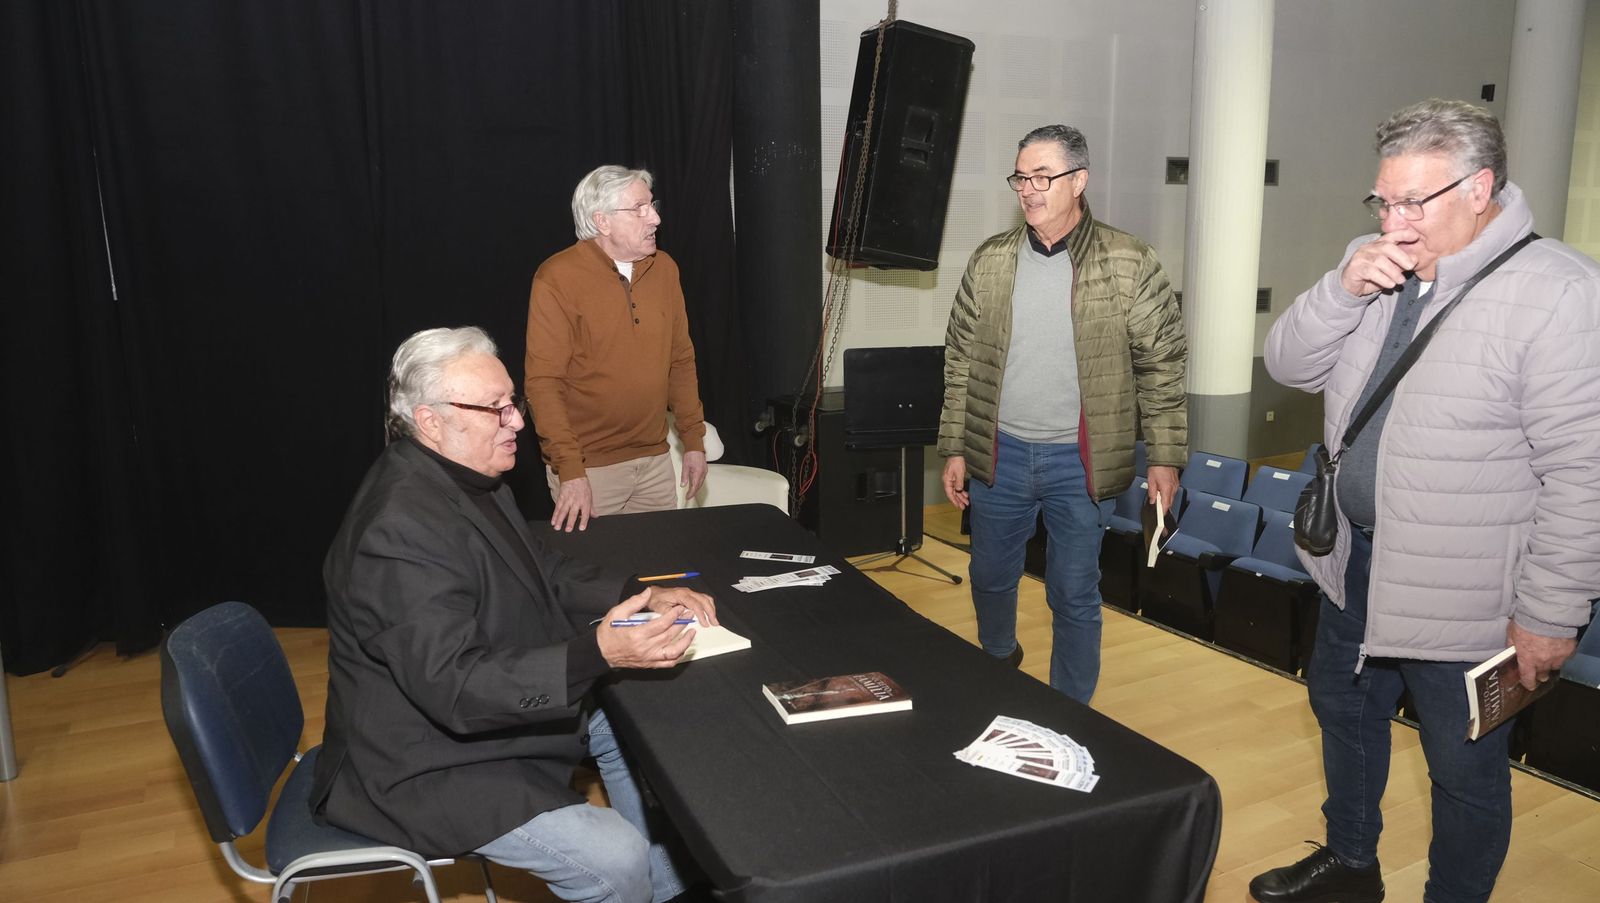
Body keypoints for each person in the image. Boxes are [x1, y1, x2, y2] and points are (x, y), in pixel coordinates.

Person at [1253, 99, 1600, 903]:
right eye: (1384, 199)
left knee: (1463, 765)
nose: (1396, 221)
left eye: (1416, 200)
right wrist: (1342, 289)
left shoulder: (1561, 293)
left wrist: (1550, 612)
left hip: (1470, 589)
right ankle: (1350, 861)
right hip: (1358, 557)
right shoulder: (1371, 261)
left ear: (1480, 189)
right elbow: (1289, 363)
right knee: (1342, 705)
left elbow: (1584, 472)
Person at [312, 326, 715, 903]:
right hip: (422, 761)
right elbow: (457, 688)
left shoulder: (467, 473)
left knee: (642, 714)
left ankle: (664, 883)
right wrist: (595, 652)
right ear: (430, 421)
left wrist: (640, 592)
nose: (517, 422)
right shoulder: (396, 532)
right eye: (496, 408)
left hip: (469, 719)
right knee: (615, 856)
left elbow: (541, 569)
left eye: (513, 402)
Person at [938, 124, 1188, 703]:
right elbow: (960, 362)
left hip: (1081, 463)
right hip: (999, 453)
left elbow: (1164, 366)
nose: (1028, 189)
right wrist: (954, 445)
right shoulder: (991, 261)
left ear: (1079, 181)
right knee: (988, 577)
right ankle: (999, 659)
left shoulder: (1130, 261)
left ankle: (1070, 709)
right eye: (1021, 177)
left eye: (1042, 177)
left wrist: (1168, 456)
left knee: (1073, 593)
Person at [526, 165, 707, 532]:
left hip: (655, 461)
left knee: (660, 573)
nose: (654, 217)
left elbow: (681, 361)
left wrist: (693, 441)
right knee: (599, 583)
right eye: (639, 209)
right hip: (590, 471)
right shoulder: (557, 278)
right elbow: (543, 384)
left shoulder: (665, 269)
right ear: (602, 221)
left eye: (652, 205)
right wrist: (570, 470)